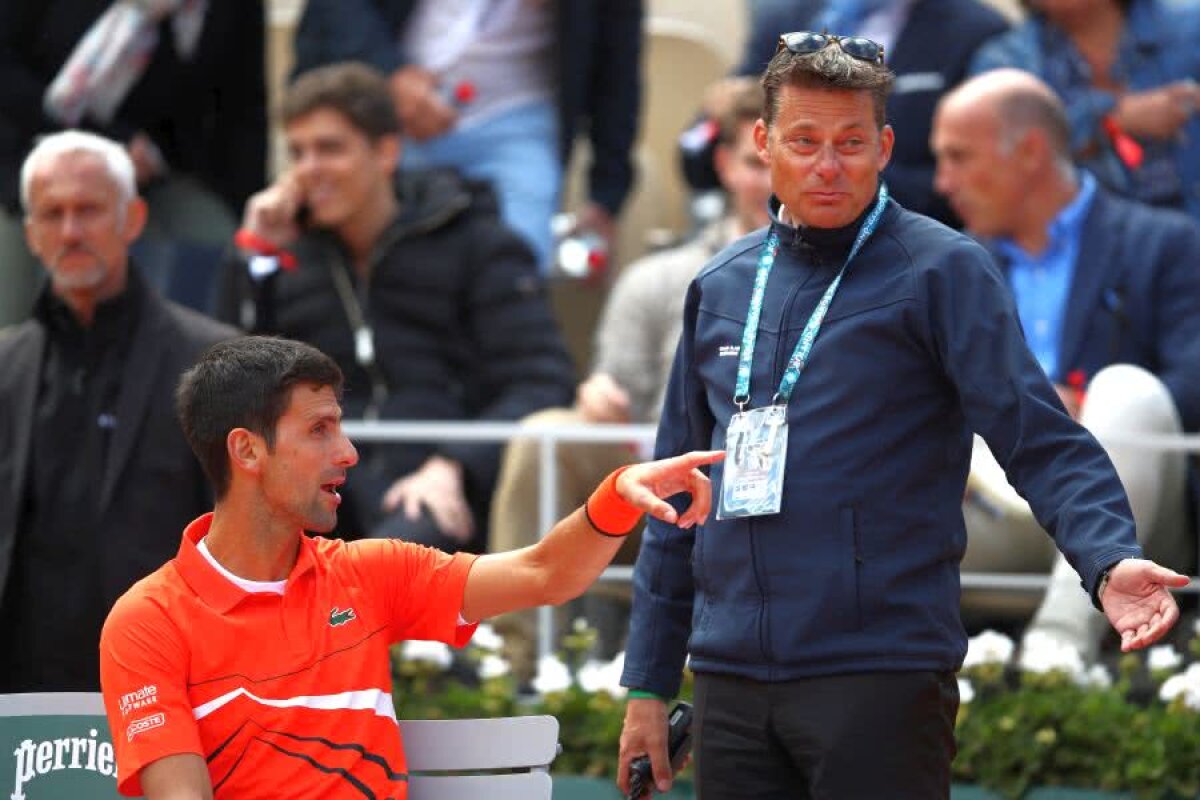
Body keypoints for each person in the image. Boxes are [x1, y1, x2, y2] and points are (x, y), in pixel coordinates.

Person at [617, 33, 1188, 799]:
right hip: (730, 681)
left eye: (851, 142)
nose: (829, 165)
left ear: (885, 146)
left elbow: (1040, 439)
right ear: (763, 142)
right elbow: (670, 500)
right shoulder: (719, 285)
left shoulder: (941, 270)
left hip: (878, 672)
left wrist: (1108, 559)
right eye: (805, 141)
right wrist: (648, 686)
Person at [98, 334, 721, 799]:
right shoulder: (147, 621)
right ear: (246, 450)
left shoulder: (371, 573)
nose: (347, 452)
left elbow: (545, 574)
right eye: (319, 430)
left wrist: (615, 495)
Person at [215, 62, 576, 555]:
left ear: (386, 152)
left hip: (444, 490)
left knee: (396, 552)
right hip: (322, 485)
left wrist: (455, 465)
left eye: (330, 148)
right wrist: (255, 258)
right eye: (297, 152)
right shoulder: (285, 255)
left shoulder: (477, 243)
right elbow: (227, 384)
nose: (308, 169)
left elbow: (541, 381)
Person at [489, 78, 773, 684]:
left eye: (786, 156)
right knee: (547, 435)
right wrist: (599, 396)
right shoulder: (656, 278)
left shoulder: (858, 284)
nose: (771, 179)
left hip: (783, 492)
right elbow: (612, 395)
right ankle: (515, 667)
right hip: (662, 486)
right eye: (756, 161)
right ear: (724, 165)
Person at [930, 68, 1200, 657]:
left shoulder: (1167, 243)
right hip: (984, 512)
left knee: (1127, 391)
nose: (942, 182)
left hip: (1126, 510)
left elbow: (1191, 386)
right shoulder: (943, 266)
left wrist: (1079, 415)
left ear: (1028, 152)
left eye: (958, 156)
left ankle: (1058, 649)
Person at [0, 130, 238, 692]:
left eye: (88, 210)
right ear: (31, 234)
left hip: (173, 684)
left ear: (132, 219)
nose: (71, 231)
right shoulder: (6, 367)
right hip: (25, 695)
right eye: (52, 214)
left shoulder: (216, 363)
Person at [291, 0, 642, 271]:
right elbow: (337, 10)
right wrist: (390, 73)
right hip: (388, 109)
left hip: (519, 116)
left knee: (517, 268)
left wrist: (604, 198)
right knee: (380, 264)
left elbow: (618, 65)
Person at [0, 0, 268, 324]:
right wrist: (107, 143)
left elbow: (241, 111)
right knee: (22, 307)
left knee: (215, 257)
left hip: (161, 175)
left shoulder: (227, 10)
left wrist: (249, 215)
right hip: (35, 160)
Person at [683, 0, 1009, 226]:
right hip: (771, 233)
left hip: (903, 244)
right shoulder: (785, 18)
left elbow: (972, 181)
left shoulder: (975, 31)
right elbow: (695, 153)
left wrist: (844, 174)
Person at [969, 0, 1200, 221]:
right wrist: (1110, 122)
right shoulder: (1006, 62)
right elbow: (1001, 158)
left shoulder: (1190, 30)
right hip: (1079, 242)